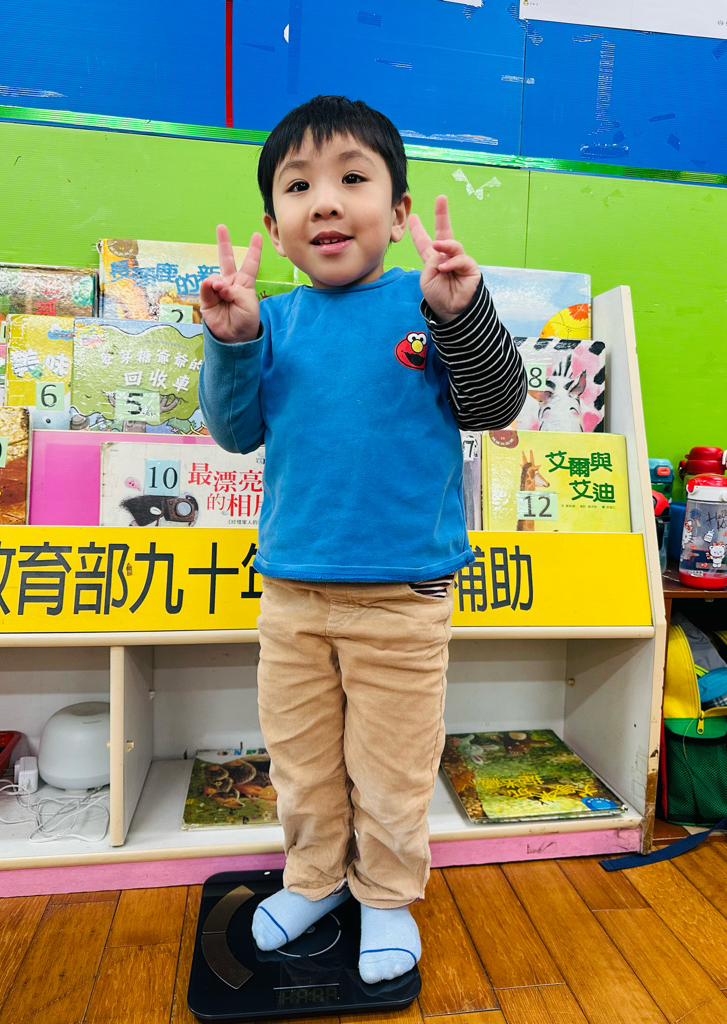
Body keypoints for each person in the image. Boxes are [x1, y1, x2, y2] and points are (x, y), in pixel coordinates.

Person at [198, 94, 526, 984]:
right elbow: (234, 432)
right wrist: (232, 341)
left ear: (400, 208)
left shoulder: (427, 305)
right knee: (301, 763)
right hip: (291, 594)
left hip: (402, 598)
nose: (327, 203)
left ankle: (384, 894)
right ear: (275, 226)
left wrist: (463, 313)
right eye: (299, 186)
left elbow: (495, 405)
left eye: (352, 178)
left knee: (391, 768)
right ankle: (314, 878)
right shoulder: (275, 320)